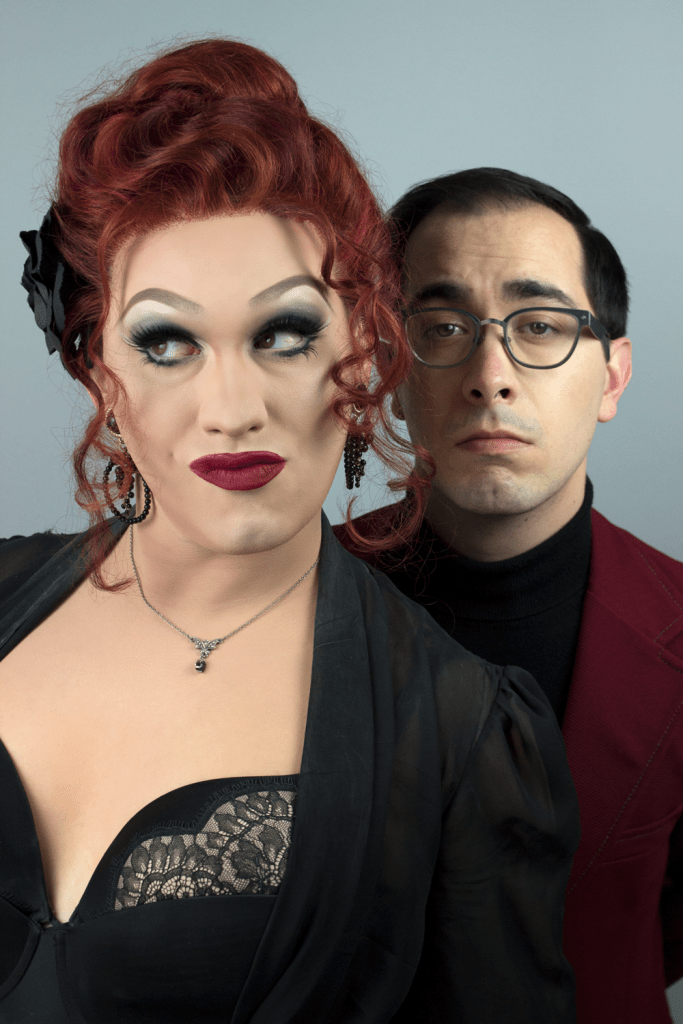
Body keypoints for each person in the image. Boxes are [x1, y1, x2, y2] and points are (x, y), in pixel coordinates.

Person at [0, 49, 579, 1023]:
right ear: (103, 374)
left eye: (282, 334)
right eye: (167, 341)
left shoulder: (458, 734)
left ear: (361, 354)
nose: (233, 407)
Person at [335, 166, 683, 1024]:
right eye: (442, 328)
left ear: (611, 378)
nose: (490, 375)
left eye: (539, 327)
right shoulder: (276, 607)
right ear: (389, 369)